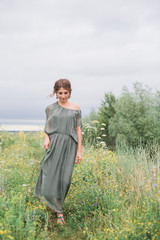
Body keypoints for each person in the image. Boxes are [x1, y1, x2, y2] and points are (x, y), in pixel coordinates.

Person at [34, 79, 82, 225]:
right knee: (50, 175)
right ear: (56, 92)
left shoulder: (76, 108)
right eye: (60, 93)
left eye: (65, 93)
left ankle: (56, 204)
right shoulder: (50, 108)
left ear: (70, 92)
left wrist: (79, 151)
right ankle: (58, 211)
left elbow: (78, 130)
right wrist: (46, 138)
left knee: (65, 180)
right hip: (54, 144)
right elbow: (47, 126)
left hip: (70, 145)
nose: (63, 96)